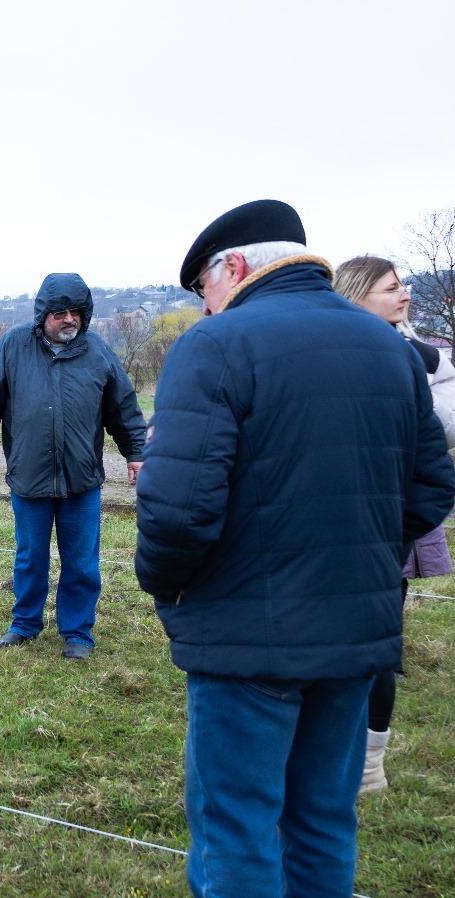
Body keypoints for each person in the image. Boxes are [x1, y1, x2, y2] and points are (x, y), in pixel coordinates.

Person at [135, 200, 455, 897]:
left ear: (234, 267)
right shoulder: (388, 348)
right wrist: (361, 555)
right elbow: (431, 484)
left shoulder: (215, 345)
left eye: (204, 288)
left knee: (237, 827)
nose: (204, 307)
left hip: (245, 633)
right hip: (354, 630)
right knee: (323, 819)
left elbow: (177, 508)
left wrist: (168, 587)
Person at [0, 273, 146, 660]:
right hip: (29, 476)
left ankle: (78, 632)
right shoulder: (14, 346)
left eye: (76, 312)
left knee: (81, 562)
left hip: (81, 479)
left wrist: (135, 452)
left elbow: (123, 407)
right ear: (43, 314)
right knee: (30, 558)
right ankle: (25, 624)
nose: (69, 319)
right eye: (60, 313)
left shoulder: (98, 351)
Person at [334, 254, 455, 795]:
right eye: (390, 288)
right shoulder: (334, 353)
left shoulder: (422, 356)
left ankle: (369, 763)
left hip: (395, 512)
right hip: (344, 511)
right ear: (355, 294)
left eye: (403, 285)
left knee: (380, 632)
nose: (404, 294)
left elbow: (444, 432)